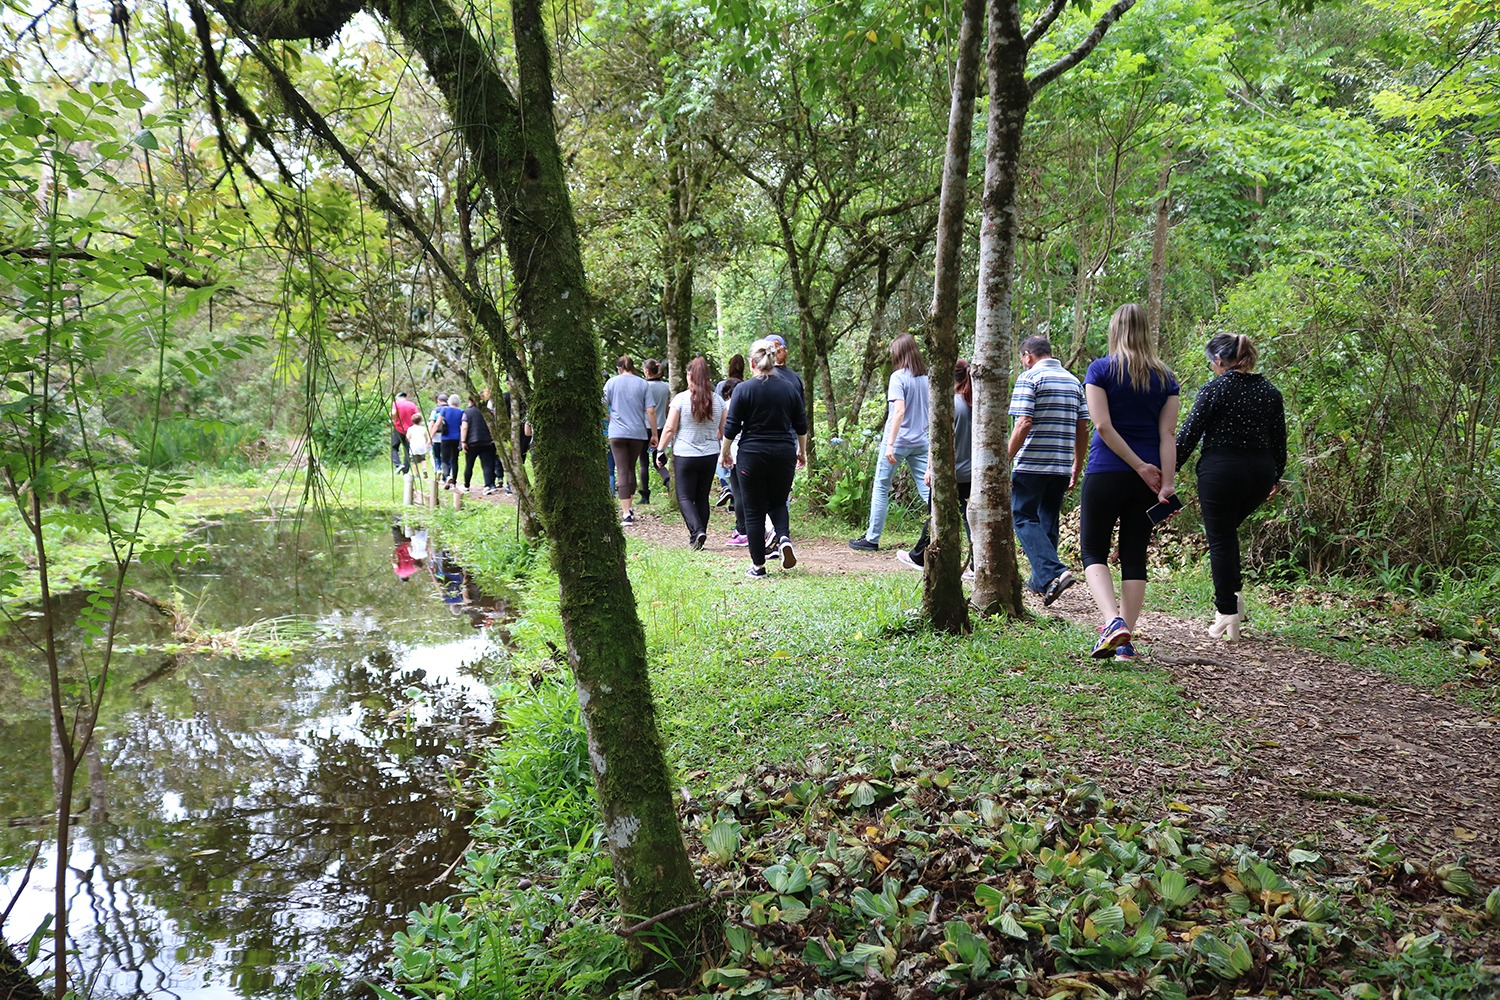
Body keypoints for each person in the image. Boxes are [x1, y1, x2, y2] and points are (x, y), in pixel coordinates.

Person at [1079, 303, 1180, 661]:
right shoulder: (1165, 377)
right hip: (1148, 479)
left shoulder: (1100, 369)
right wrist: (1165, 482)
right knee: (1134, 553)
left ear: (1114, 330)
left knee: (1093, 549)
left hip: (1107, 470)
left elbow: (1102, 426)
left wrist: (1137, 465)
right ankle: (1126, 642)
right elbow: (1168, 433)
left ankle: (1112, 623)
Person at [1176, 333, 1286, 641]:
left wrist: (1167, 471)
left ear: (1221, 361)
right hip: (1259, 474)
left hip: (1221, 472)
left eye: (1211, 362)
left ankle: (1226, 612)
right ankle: (1233, 604)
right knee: (1227, 536)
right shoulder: (1270, 392)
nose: (1211, 368)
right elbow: (1279, 442)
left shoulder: (1215, 388)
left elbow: (1189, 435)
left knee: (1221, 540)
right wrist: (1275, 476)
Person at [1007, 335, 1090, 605]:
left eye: (1023, 358)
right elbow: (1082, 426)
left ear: (1028, 356)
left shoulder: (1030, 378)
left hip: (1032, 463)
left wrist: (1005, 460)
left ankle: (1055, 571)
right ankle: (1041, 581)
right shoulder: (1073, 381)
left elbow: (1023, 423)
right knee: (1047, 518)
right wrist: (1077, 463)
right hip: (1061, 464)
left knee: (1022, 517)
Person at [719, 339, 807, 577]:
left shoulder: (744, 389)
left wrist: (724, 452)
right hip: (784, 453)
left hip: (752, 455)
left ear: (752, 363)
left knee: (754, 510)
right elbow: (801, 425)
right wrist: (802, 451)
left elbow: (731, 426)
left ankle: (758, 566)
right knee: (778, 502)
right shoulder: (789, 387)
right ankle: (784, 538)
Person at [850, 333, 931, 552]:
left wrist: (890, 444)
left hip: (898, 441)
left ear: (899, 354)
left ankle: (872, 538)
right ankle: (938, 529)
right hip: (921, 441)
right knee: (928, 489)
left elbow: (899, 411)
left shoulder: (898, 377)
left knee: (881, 486)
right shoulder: (926, 379)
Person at [899, 359, 975, 577]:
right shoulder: (976, 403)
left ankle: (919, 557)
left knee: (935, 514)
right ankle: (975, 564)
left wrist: (930, 468)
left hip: (951, 471)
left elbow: (939, 440)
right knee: (971, 519)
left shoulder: (951, 404)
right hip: (972, 473)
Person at [660, 356, 727, 549]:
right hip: (710, 455)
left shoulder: (680, 399)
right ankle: (698, 537)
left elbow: (670, 429)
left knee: (684, 497)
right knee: (702, 497)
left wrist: (660, 450)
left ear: (690, 375)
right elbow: (723, 431)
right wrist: (725, 451)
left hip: (685, 455)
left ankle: (697, 531)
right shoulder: (718, 401)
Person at [603, 355, 658, 524]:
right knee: (630, 469)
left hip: (617, 433)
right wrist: (654, 434)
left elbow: (601, 404)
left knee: (621, 470)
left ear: (619, 368)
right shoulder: (642, 383)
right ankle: (629, 505)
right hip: (637, 433)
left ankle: (626, 512)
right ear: (633, 367)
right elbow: (650, 411)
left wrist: (610, 418)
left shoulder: (611, 382)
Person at [641, 359, 673, 501]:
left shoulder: (643, 386)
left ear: (647, 371)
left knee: (643, 462)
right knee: (658, 461)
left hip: (644, 428)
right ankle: (669, 482)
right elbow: (667, 408)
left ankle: (645, 495)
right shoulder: (666, 387)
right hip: (661, 427)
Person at [460, 393, 499, 493]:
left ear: (471, 401)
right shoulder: (488, 412)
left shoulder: (467, 412)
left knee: (469, 464)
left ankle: (466, 486)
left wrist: (463, 441)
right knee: (487, 465)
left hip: (471, 443)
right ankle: (489, 485)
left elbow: (464, 427)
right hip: (487, 442)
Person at [436, 392, 466, 488]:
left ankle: (446, 476)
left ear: (449, 401)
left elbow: (438, 423)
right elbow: (463, 426)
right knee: (454, 459)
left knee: (445, 459)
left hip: (446, 437)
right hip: (457, 438)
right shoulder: (461, 412)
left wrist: (430, 436)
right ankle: (454, 481)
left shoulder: (445, 409)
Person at [391, 391, 418, 473]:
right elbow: (417, 416)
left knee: (394, 447)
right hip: (410, 430)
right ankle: (405, 471)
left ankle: (398, 464)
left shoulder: (396, 404)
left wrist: (392, 419)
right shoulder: (412, 405)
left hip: (398, 428)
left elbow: (393, 413)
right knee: (407, 450)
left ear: (398, 398)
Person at [428, 393, 449, 481]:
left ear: (438, 402)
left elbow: (432, 423)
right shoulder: (451, 409)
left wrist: (430, 436)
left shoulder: (435, 410)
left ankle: (438, 469)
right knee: (447, 456)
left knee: (437, 455)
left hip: (436, 436)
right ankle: (447, 475)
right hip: (448, 436)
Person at [406, 415, 431, 481]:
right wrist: (427, 442)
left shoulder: (410, 429)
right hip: (422, 446)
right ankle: (424, 469)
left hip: (414, 447)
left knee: (414, 462)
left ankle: (417, 475)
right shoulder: (423, 429)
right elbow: (427, 438)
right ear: (420, 421)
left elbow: (408, 437)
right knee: (423, 459)